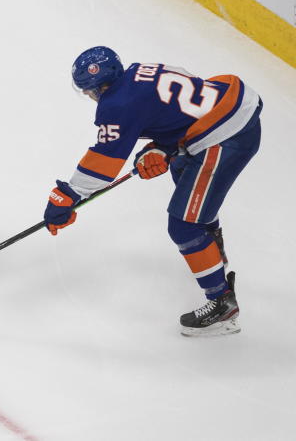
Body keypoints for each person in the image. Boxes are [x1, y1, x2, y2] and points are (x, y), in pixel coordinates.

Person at [43, 46, 262, 337]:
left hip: (227, 136)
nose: (87, 95)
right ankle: (211, 249)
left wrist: (68, 195)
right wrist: (162, 145)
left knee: (184, 225)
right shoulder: (139, 71)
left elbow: (104, 162)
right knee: (182, 170)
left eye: (89, 90)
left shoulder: (116, 105)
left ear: (101, 86)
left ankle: (222, 305)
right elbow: (181, 105)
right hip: (230, 107)